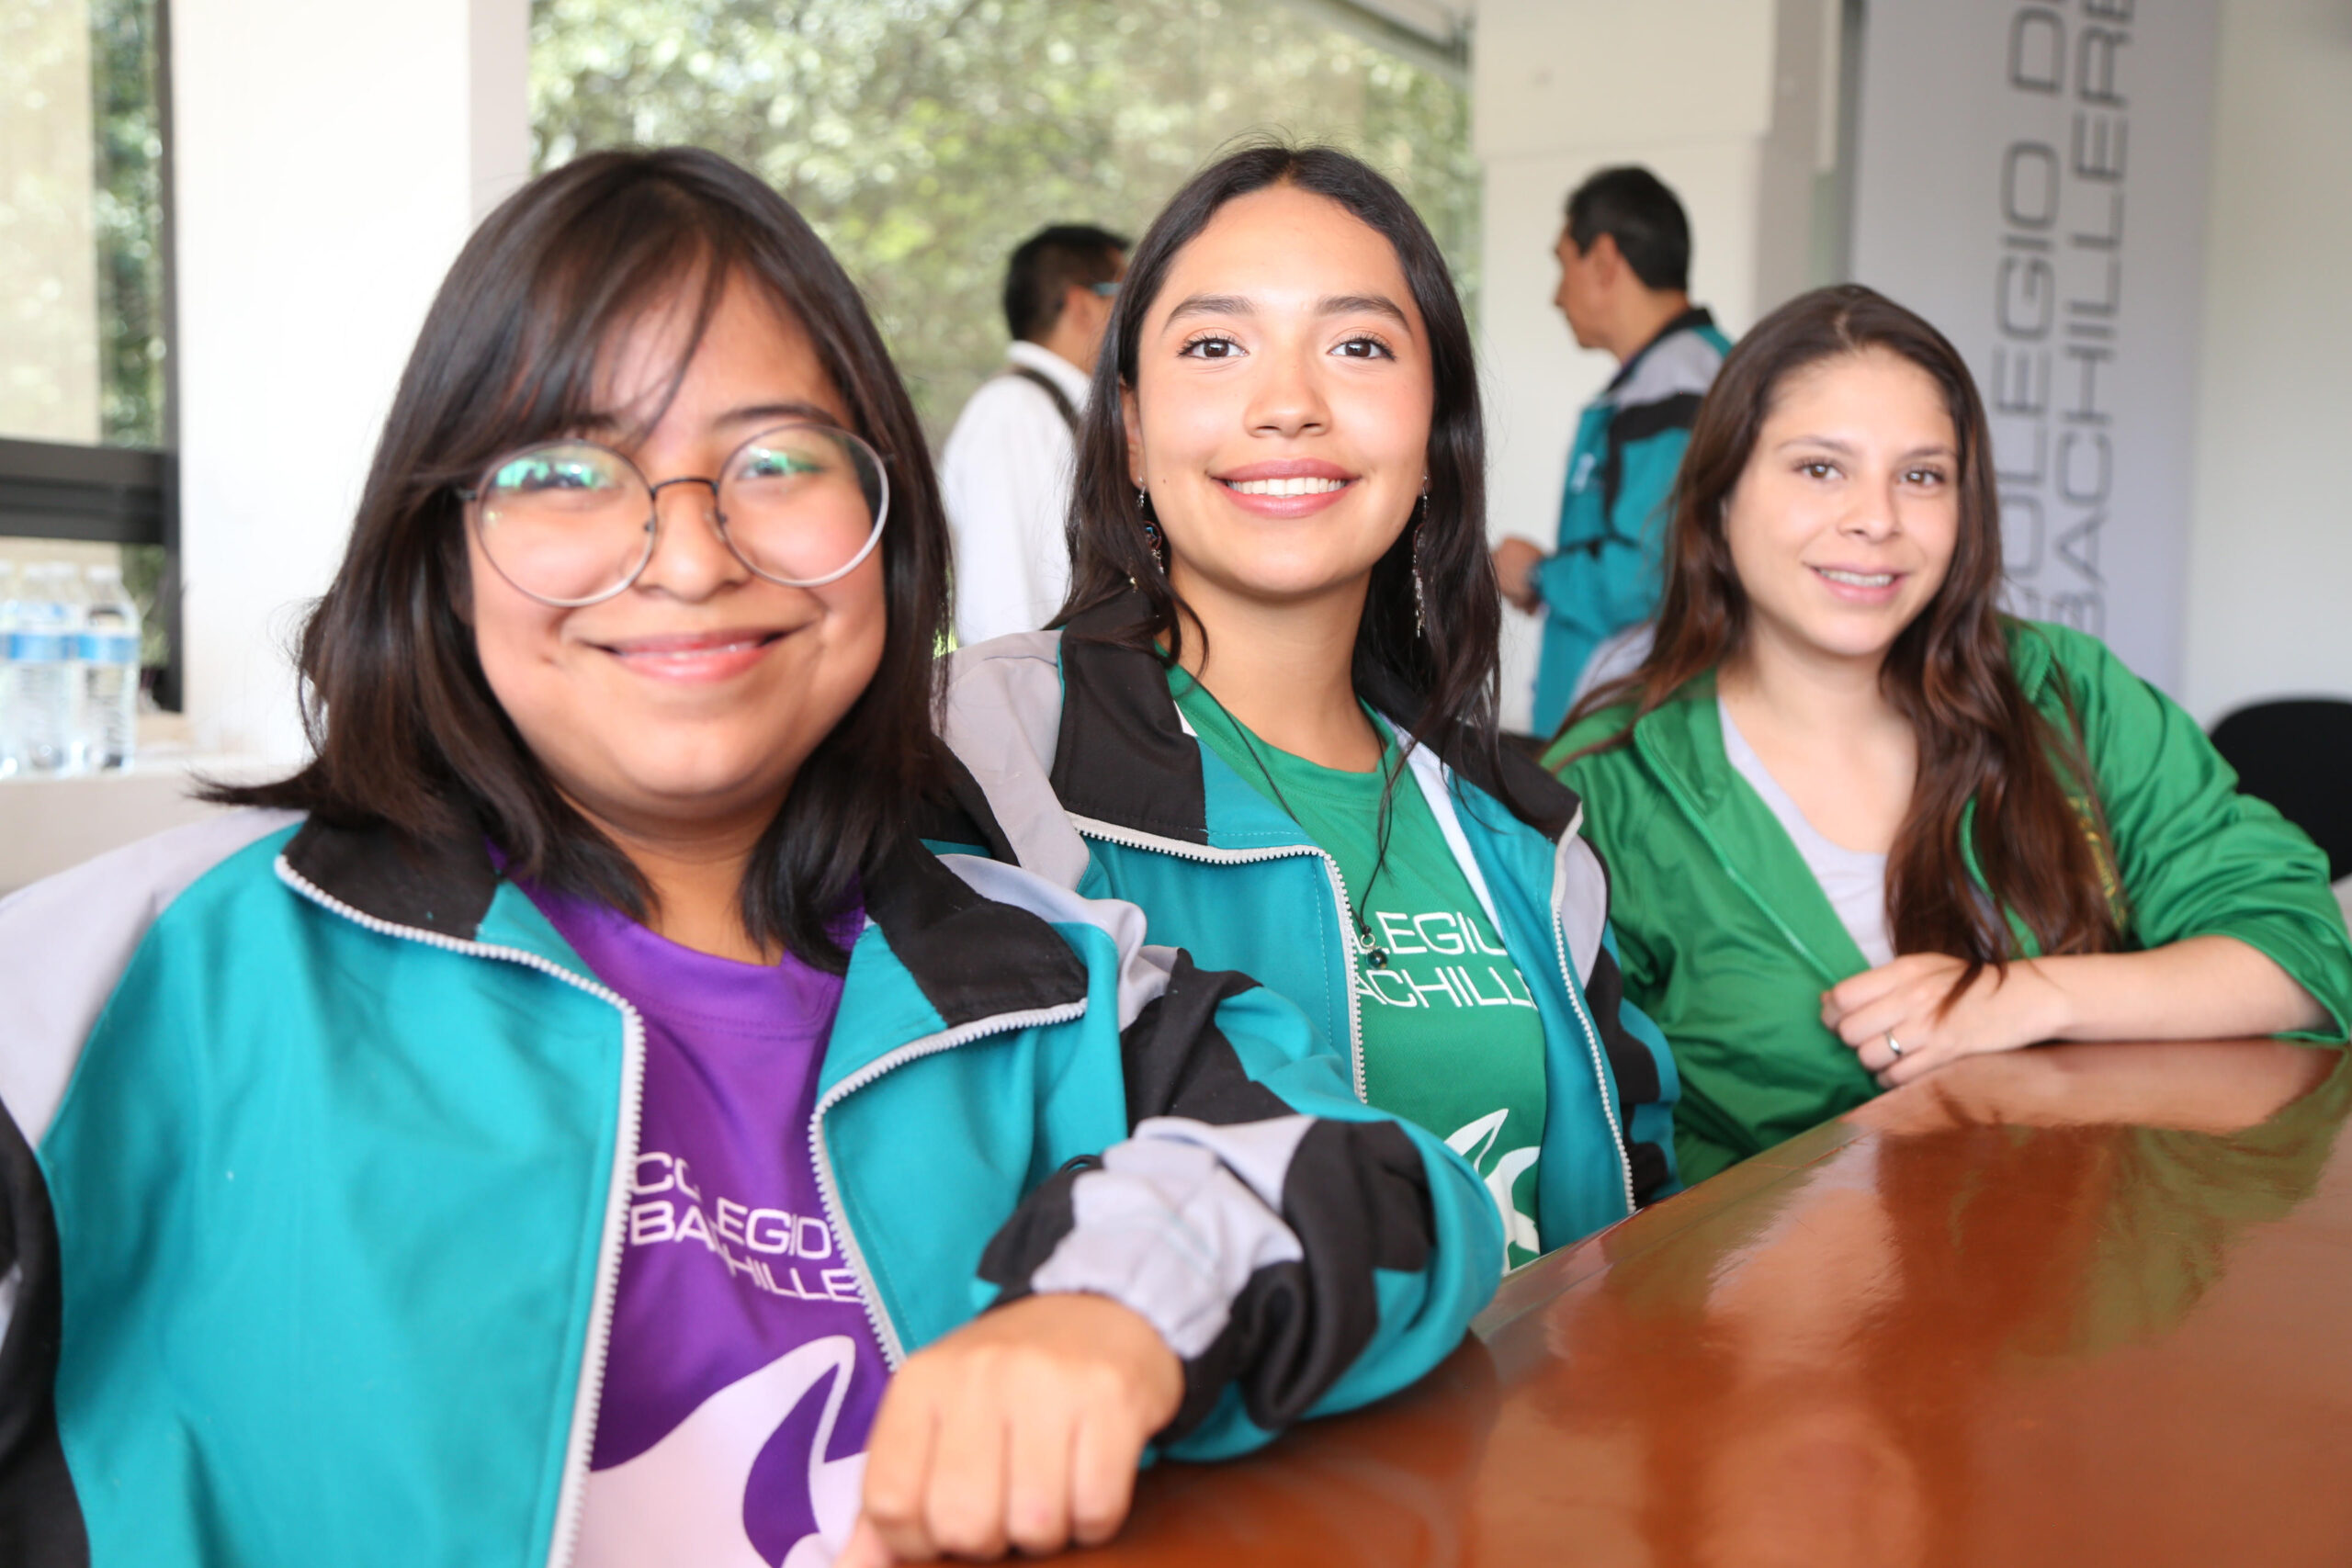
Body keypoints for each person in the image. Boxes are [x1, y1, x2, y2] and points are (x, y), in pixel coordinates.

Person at [0, 149, 1505, 1568]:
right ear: (437, 551)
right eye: (564, 470)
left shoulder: (1042, 979)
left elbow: (1383, 1186)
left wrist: (1117, 1312)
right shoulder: (121, 986)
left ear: (886, 532)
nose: (693, 552)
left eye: (777, 458)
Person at [937, 142, 1682, 1276]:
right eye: (1216, 346)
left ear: (1434, 430)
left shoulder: (1521, 828)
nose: (1287, 404)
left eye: (1358, 346)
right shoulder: (998, 753)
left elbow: (1637, 1194)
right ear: (1130, 429)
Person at [1549, 283, 2352, 1184]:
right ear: (1719, 497)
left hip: (2086, 1287)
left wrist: (2018, 999)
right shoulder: (1606, 786)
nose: (1877, 519)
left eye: (1921, 475)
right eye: (1820, 468)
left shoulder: (2061, 692)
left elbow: (2297, 951)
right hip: (1772, 1308)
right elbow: (1586, 1165)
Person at [1493, 166, 1730, 734]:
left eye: (1562, 262)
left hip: (1628, 743)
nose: (1556, 295)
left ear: (1603, 260)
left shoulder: (1676, 387)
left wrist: (1539, 576)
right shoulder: (1676, 377)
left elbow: (1645, 577)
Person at [939, 222, 1127, 645]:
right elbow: (1006, 606)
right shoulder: (1015, 413)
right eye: (1127, 296)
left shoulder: (1052, 409)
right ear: (1084, 306)